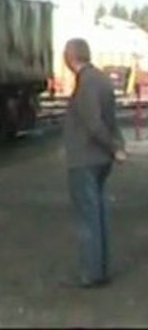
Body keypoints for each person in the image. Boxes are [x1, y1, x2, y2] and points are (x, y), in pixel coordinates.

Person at [61, 37, 127, 288]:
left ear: (71, 56)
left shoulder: (86, 83)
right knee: (97, 214)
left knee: (88, 218)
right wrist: (117, 146)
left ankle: (92, 272)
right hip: (99, 160)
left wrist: (114, 148)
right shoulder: (101, 79)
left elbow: (94, 122)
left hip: (85, 159)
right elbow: (111, 118)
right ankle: (100, 267)